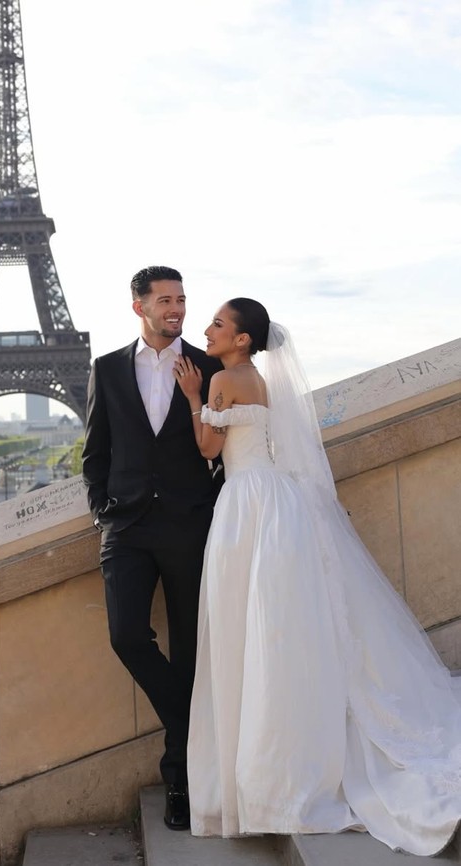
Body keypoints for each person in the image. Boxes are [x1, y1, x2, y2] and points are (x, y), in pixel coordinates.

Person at [173, 297, 461, 856]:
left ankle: (267, 766)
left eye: (217, 324)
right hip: (280, 505)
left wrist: (191, 399)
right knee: (281, 627)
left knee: (251, 630)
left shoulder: (221, 382)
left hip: (244, 506)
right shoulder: (262, 379)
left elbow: (210, 447)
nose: (207, 330)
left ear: (240, 339)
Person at [81, 266, 223, 830]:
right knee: (126, 636)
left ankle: (180, 782)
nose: (177, 310)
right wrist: (103, 513)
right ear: (137, 305)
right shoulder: (108, 368)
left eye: (182, 300)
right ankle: (195, 726)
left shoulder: (209, 367)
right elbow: (96, 451)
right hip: (128, 528)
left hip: (190, 524)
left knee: (189, 651)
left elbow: (224, 444)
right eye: (165, 300)